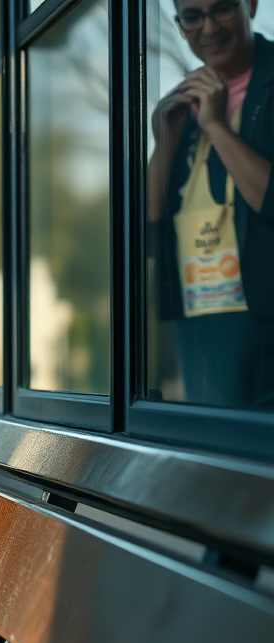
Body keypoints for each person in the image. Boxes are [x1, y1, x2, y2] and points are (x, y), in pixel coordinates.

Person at [147, 0, 274, 408]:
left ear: (250, 5)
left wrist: (217, 126)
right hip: (199, 319)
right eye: (192, 16)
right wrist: (163, 141)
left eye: (220, 8)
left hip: (264, 321)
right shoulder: (185, 102)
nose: (208, 27)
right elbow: (147, 222)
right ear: (179, 25)